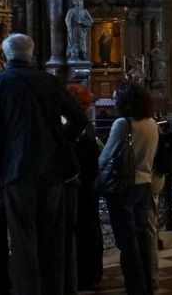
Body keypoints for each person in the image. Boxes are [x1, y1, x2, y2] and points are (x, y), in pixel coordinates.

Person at [0, 33, 88, 295]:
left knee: (22, 239)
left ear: (5, 54)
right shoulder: (48, 81)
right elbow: (78, 119)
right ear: (30, 53)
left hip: (15, 172)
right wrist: (57, 142)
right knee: (52, 237)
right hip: (52, 170)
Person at [99, 81, 158, 295]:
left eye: (116, 97)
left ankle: (135, 285)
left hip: (125, 186)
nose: (113, 100)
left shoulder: (123, 124)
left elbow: (106, 157)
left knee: (126, 238)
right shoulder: (151, 122)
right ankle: (148, 280)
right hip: (145, 182)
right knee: (143, 235)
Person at [65, 83, 103, 291]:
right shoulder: (85, 123)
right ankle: (91, 271)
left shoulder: (75, 123)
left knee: (83, 229)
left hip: (82, 184)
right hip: (89, 183)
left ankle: (85, 274)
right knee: (89, 227)